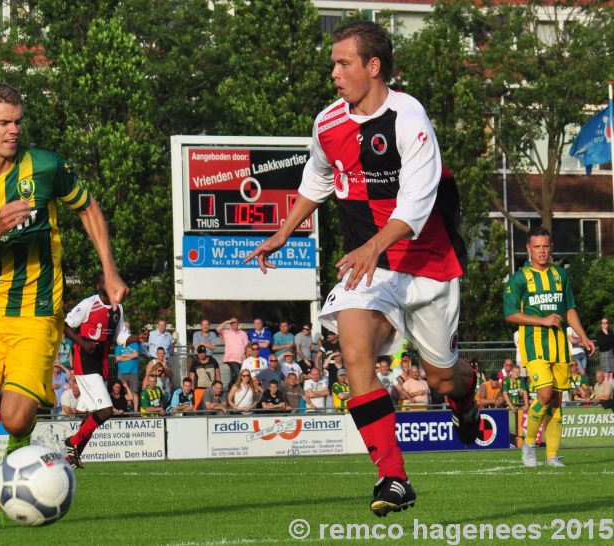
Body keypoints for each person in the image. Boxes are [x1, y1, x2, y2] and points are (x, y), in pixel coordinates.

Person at [245, 21, 477, 515]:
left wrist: (374, 245)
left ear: (373, 67)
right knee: (354, 353)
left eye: (343, 63)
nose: (334, 73)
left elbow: (416, 205)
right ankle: (393, 478)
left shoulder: (409, 117)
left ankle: (466, 396)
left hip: (427, 266)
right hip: (367, 268)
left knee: (442, 379)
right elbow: (317, 177)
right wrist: (284, 233)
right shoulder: (327, 124)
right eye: (333, 63)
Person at [0, 83, 128, 531]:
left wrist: (110, 269)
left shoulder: (45, 165)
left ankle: (16, 464)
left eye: (18, 121)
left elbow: (88, 209)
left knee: (15, 416)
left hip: (37, 311)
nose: (13, 130)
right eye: (4, 122)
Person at [504, 226, 594, 468]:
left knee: (555, 400)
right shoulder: (520, 278)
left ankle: (552, 456)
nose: (542, 251)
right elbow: (511, 315)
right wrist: (542, 320)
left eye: (545, 246)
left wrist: (583, 337)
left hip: (559, 347)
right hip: (534, 346)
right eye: (537, 247)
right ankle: (529, 444)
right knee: (544, 394)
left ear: (551, 247)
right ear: (528, 249)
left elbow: (570, 308)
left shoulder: (559, 275)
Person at [63, 273, 139, 469]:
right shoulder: (88, 304)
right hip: (85, 362)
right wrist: (83, 344)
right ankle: (73, 441)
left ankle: (73, 456)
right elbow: (65, 326)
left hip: (101, 364)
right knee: (106, 410)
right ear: (100, 287)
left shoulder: (117, 308)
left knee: (91, 415)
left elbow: (121, 337)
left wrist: (137, 338)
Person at [217, 317, 249, 387]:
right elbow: (218, 329)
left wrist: (246, 355)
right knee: (239, 374)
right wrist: (226, 322)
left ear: (238, 323)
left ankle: (230, 386)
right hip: (231, 359)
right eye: (232, 323)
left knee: (237, 375)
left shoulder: (243, 333)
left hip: (241, 359)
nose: (234, 324)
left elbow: (247, 346)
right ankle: (237, 388)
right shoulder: (226, 332)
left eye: (235, 322)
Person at [115, 320, 141, 394]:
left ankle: (135, 406)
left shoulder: (134, 343)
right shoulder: (119, 344)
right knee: (122, 391)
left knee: (134, 391)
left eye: (128, 327)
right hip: (122, 372)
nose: (127, 328)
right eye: (125, 327)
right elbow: (118, 358)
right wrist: (131, 356)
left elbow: (136, 355)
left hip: (133, 371)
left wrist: (124, 355)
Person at [596, 317, 614, 384]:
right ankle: (606, 390)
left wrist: (609, 341)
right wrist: (610, 340)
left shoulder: (610, 332)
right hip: (604, 354)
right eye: (603, 322)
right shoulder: (599, 333)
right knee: (606, 375)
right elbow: (601, 343)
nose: (605, 324)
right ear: (601, 324)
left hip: (611, 353)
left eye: (606, 322)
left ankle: (611, 391)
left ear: (608, 323)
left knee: (611, 374)